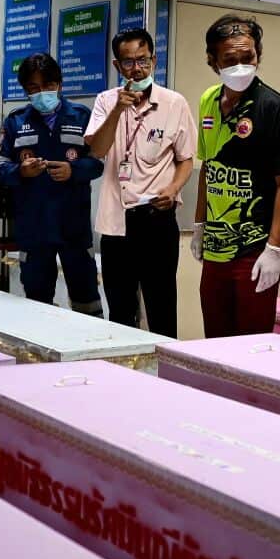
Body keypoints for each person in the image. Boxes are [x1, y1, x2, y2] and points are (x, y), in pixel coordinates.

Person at [192, 15, 280, 338]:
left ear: (258, 54)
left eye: (248, 57)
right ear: (213, 62)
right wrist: (199, 225)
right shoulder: (208, 100)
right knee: (215, 336)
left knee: (252, 342)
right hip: (216, 246)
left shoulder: (274, 107)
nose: (241, 65)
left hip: (255, 249)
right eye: (230, 60)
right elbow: (208, 168)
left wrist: (275, 249)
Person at [86, 28, 195, 337]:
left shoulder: (174, 103)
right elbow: (97, 149)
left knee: (161, 308)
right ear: (117, 66)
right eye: (129, 62)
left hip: (157, 219)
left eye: (143, 61)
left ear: (154, 61)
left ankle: (166, 378)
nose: (137, 69)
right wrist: (119, 109)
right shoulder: (106, 102)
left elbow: (186, 160)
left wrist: (173, 190)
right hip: (117, 221)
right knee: (120, 310)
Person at [0, 53, 104, 316]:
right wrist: (21, 171)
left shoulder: (81, 116)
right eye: (33, 88)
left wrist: (73, 170)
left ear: (60, 84)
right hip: (34, 226)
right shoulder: (16, 121)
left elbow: (99, 162)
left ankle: (88, 353)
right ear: (25, 90)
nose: (42, 93)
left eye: (48, 86)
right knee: (36, 302)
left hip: (73, 226)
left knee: (86, 299)